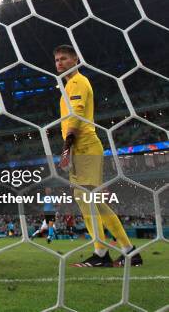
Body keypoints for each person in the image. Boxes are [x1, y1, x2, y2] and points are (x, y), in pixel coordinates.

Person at [54, 45, 142, 267]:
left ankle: (106, 253)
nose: (59, 63)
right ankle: (125, 251)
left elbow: (76, 116)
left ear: (76, 60)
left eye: (64, 58)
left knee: (88, 200)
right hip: (79, 148)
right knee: (89, 202)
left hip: (84, 146)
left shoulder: (78, 82)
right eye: (56, 60)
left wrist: (66, 149)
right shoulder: (66, 86)